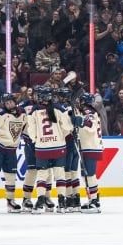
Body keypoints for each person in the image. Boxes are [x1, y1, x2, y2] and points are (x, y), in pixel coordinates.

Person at [25, 85, 75, 214]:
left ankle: (41, 201)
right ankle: (62, 202)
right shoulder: (59, 108)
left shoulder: (33, 111)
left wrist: (38, 140)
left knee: (42, 175)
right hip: (59, 146)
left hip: (42, 148)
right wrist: (59, 138)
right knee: (60, 174)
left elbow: (31, 131)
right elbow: (67, 128)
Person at [74, 92, 105, 213]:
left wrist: (79, 121)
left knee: (90, 174)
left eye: (80, 101)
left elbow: (90, 126)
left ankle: (94, 202)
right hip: (89, 146)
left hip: (91, 146)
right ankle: (92, 199)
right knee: (87, 174)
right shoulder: (88, 111)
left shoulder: (89, 112)